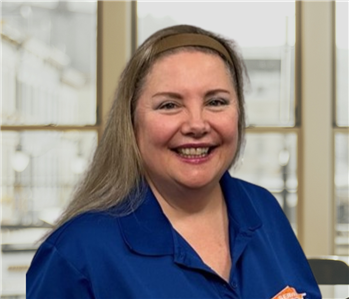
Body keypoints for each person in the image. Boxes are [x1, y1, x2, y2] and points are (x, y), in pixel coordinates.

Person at [27, 24, 321, 299]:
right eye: (169, 105)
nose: (196, 124)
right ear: (132, 123)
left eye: (216, 102)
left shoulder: (263, 208)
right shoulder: (76, 253)